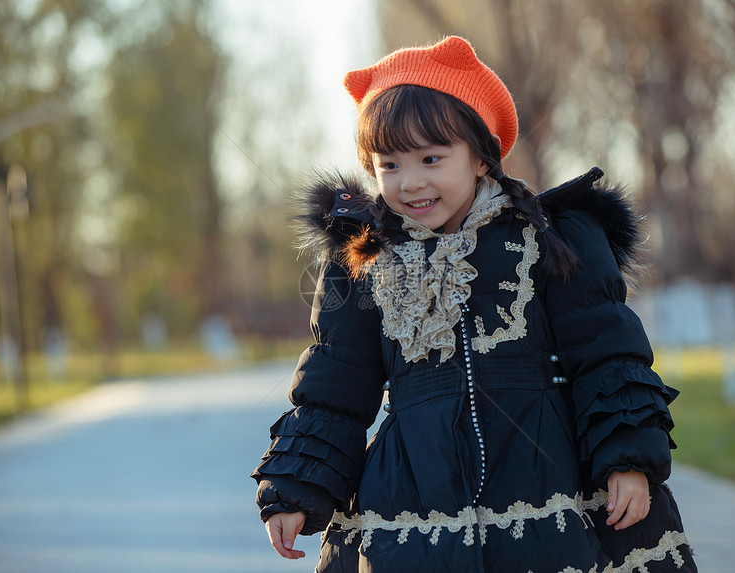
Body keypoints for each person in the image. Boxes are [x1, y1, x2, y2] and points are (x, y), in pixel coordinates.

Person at [251, 36, 697, 573]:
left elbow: (606, 352)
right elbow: (333, 388)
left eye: (431, 158)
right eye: (388, 165)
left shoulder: (549, 238)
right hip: (415, 503)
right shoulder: (364, 263)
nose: (411, 181)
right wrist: (298, 487)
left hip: (547, 490)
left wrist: (628, 459)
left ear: (481, 156)